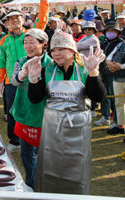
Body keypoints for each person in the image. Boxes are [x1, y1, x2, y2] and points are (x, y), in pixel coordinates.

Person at [27, 30, 106, 194]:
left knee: (76, 167)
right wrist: (33, 80)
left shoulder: (84, 70)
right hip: (52, 129)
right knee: (50, 164)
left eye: (61, 49)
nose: (56, 54)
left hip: (78, 130)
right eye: (53, 50)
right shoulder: (48, 70)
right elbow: (35, 99)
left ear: (72, 50)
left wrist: (93, 73)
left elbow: (98, 97)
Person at [0, 0, 51, 152]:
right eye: (11, 19)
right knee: (13, 111)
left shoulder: (30, 35)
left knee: (33, 110)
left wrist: (44, 1)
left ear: (22, 19)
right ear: (7, 23)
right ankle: (14, 141)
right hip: (12, 80)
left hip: (34, 79)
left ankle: (33, 142)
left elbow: (42, 21)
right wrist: (0, 81)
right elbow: (1, 61)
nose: (14, 21)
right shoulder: (4, 39)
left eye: (17, 18)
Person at [10, 29, 51, 189]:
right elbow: (13, 81)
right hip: (24, 112)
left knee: (44, 154)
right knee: (26, 153)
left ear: (43, 44)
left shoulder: (51, 64)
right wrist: (22, 74)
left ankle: (43, 183)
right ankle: (31, 184)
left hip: (44, 114)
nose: (28, 46)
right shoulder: (20, 61)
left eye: (32, 42)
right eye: (26, 43)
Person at [97, 21, 122, 127]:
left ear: (117, 32)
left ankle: (117, 121)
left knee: (115, 98)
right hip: (103, 72)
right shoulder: (105, 43)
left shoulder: (120, 43)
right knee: (104, 95)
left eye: (113, 31)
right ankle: (105, 116)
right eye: (109, 30)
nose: (110, 33)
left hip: (115, 73)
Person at [105, 33, 125, 135]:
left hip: (121, 72)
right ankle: (120, 126)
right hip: (117, 77)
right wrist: (110, 65)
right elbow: (109, 57)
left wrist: (121, 67)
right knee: (119, 103)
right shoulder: (120, 45)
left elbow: (120, 65)